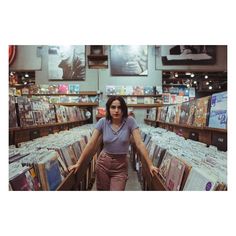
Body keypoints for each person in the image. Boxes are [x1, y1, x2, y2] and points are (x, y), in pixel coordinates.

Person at [69, 96, 159, 190]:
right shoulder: (102, 122)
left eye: (119, 107)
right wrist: (78, 163)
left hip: (121, 166)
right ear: (108, 108)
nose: (116, 110)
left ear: (124, 109)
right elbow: (91, 143)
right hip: (103, 164)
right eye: (113, 107)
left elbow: (140, 143)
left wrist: (150, 165)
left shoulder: (130, 121)